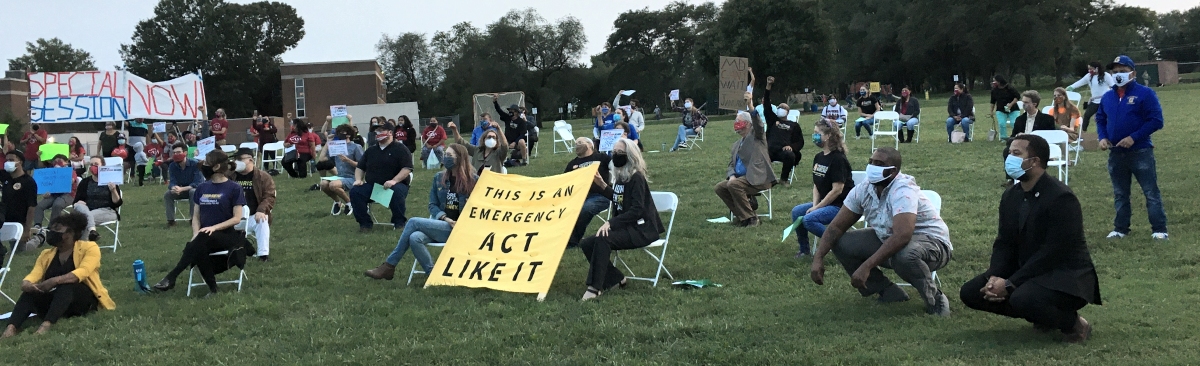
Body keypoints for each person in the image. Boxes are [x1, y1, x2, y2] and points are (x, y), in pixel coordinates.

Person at [959, 134, 1100, 342]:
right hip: (1027, 268)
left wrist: (1011, 283)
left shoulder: (1061, 197)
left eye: (1016, 153)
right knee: (971, 292)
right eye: (1009, 152)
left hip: (1064, 274)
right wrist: (995, 276)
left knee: (1022, 298)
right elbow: (1004, 242)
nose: (1009, 157)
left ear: (1034, 161)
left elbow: (1054, 251)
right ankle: (1042, 316)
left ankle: (1073, 323)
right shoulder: (1011, 195)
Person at [809, 147, 953, 316]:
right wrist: (818, 257)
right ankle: (888, 292)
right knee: (841, 243)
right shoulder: (864, 189)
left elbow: (902, 235)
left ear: (893, 171)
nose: (872, 167)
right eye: (871, 162)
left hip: (933, 245)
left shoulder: (903, 190)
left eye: (879, 164)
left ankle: (935, 300)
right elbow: (836, 227)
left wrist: (866, 266)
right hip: (889, 239)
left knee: (905, 255)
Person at [364, 144, 478, 281]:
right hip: (443, 224)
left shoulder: (473, 181)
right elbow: (433, 205)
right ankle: (433, 274)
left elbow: (477, 208)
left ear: (460, 158)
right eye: (445, 154)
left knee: (413, 222)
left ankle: (389, 265)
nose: (445, 158)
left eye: (449, 156)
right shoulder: (439, 178)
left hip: (461, 229)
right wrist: (445, 218)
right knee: (415, 237)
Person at [1, 212, 114, 339]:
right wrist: (27, 284)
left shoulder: (90, 248)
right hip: (56, 300)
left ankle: (46, 325)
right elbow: (34, 274)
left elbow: (82, 272)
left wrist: (54, 281)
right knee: (30, 293)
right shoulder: (46, 254)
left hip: (82, 300)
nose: (51, 232)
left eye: (57, 229)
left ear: (70, 233)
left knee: (66, 286)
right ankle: (11, 327)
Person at [153, 150, 248, 296]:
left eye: (206, 162)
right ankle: (213, 289)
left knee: (198, 242)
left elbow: (236, 218)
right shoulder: (202, 188)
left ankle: (172, 277)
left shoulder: (234, 188)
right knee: (199, 246)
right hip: (205, 235)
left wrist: (213, 228)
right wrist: (196, 233)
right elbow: (196, 216)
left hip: (227, 236)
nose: (203, 164)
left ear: (216, 167)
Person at [579, 138, 664, 300]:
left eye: (620, 153)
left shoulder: (636, 178)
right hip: (628, 227)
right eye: (614, 152)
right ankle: (616, 278)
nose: (615, 155)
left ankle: (595, 287)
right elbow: (619, 199)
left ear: (630, 156)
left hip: (642, 229)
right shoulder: (621, 177)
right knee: (587, 243)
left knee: (603, 239)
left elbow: (637, 210)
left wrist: (610, 222)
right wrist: (602, 185)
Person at [1096, 55, 1167, 240]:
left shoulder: (1145, 93)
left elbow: (1156, 121)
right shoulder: (1108, 97)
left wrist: (1134, 137)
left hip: (1140, 151)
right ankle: (1120, 228)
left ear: (1133, 73)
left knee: (1150, 192)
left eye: (1123, 71)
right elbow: (1100, 119)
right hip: (1116, 153)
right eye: (1115, 72)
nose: (1118, 75)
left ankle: (1159, 229)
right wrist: (1102, 137)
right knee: (1120, 194)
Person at [791, 119, 853, 258]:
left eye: (817, 133)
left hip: (841, 206)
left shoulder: (838, 159)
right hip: (825, 203)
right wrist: (815, 206)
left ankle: (841, 244)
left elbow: (837, 190)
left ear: (828, 135)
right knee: (797, 212)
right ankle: (804, 250)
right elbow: (816, 185)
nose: (814, 136)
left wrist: (817, 207)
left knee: (809, 220)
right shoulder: (818, 157)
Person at [714, 92, 776, 228]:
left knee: (733, 186)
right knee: (720, 187)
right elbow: (731, 164)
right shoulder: (735, 145)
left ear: (747, 124)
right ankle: (744, 216)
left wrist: (750, 106)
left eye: (738, 121)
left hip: (759, 178)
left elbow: (759, 124)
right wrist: (731, 176)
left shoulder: (758, 137)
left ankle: (752, 219)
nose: (736, 124)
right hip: (741, 179)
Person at [349, 121, 413, 232]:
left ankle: (399, 223)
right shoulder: (371, 150)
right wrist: (358, 180)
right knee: (355, 191)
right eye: (376, 131)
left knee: (396, 191)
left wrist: (394, 181)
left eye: (381, 130)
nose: (377, 133)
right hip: (373, 187)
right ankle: (365, 224)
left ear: (390, 132)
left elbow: (407, 169)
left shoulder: (400, 149)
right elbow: (360, 167)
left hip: (396, 185)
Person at [228, 148, 276, 261]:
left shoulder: (263, 177)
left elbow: (269, 196)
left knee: (263, 219)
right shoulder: (229, 176)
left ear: (250, 160)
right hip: (231, 218)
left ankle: (263, 255)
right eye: (235, 159)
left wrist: (261, 210)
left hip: (252, 216)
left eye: (240, 159)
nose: (236, 162)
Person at [565, 137, 612, 248]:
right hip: (579, 196)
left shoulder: (602, 158)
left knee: (586, 208)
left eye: (581, 142)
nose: (578, 144)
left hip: (601, 195)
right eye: (576, 143)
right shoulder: (572, 164)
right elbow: (565, 183)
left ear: (591, 145)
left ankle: (572, 242)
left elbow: (618, 168)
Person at [764, 77, 804, 185]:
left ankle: (783, 179)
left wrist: (792, 147)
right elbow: (766, 105)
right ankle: (769, 180)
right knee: (758, 153)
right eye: (779, 107)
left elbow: (800, 141)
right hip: (770, 150)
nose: (781, 108)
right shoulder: (772, 120)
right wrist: (768, 86)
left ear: (787, 112)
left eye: (784, 107)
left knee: (791, 155)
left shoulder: (794, 125)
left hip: (783, 151)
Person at [72, 157, 123, 242]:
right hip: (87, 210)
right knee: (80, 207)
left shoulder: (110, 181)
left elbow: (117, 203)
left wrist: (113, 190)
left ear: (103, 166)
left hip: (107, 211)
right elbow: (75, 202)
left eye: (96, 164)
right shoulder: (85, 182)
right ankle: (92, 232)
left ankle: (82, 246)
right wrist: (79, 202)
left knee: (82, 219)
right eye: (91, 164)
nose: (93, 167)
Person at [319, 125, 365, 216]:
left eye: (341, 133)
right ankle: (338, 202)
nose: (338, 135)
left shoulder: (356, 147)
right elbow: (321, 159)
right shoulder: (336, 146)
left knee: (333, 185)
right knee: (323, 184)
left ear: (348, 135)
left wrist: (348, 160)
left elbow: (362, 165)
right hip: (340, 176)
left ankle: (349, 203)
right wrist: (328, 143)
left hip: (353, 177)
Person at [31, 155, 77, 234]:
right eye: (55, 161)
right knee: (39, 206)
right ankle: (37, 225)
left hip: (68, 194)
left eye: (60, 161)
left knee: (57, 205)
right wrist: (45, 193)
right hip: (53, 194)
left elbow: (71, 181)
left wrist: (62, 172)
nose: (57, 163)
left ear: (66, 162)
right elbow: (47, 185)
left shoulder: (71, 171)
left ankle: (52, 227)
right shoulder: (51, 172)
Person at [1067, 61, 1116, 132]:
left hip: (1105, 101)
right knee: (1086, 115)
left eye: (1091, 69)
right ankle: (1083, 132)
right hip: (1094, 102)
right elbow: (1080, 82)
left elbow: (1113, 86)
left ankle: (1107, 133)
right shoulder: (1088, 76)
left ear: (1097, 68)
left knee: (1104, 118)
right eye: (1089, 69)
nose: (1090, 71)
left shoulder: (1106, 75)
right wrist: (1071, 87)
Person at [164, 142, 204, 227]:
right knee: (168, 194)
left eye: (178, 152)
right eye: (174, 153)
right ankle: (171, 220)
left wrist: (182, 189)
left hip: (195, 191)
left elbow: (197, 183)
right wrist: (174, 187)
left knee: (193, 192)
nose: (176, 155)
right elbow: (172, 181)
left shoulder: (195, 164)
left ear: (185, 153)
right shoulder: (172, 166)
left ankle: (193, 218)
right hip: (180, 190)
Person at [2, 151, 37, 247]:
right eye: (7, 160)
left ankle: (39, 238)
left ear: (20, 162)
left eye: (11, 160)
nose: (8, 162)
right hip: (5, 219)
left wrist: (27, 229)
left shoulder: (28, 182)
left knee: (19, 249)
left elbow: (32, 207)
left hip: (20, 222)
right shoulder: (6, 178)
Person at [492, 95, 530, 166]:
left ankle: (524, 160)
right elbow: (499, 111)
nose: (510, 112)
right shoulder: (507, 118)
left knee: (522, 141)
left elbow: (523, 134)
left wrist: (515, 143)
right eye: (509, 110)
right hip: (507, 140)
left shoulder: (521, 122)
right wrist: (495, 102)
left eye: (511, 111)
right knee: (499, 141)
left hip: (517, 141)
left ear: (516, 112)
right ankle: (501, 161)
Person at [990, 75, 1022, 140]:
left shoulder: (1009, 88)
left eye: (995, 81)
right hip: (1000, 109)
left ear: (999, 81)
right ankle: (1003, 138)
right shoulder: (994, 90)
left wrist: (1011, 104)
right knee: (1001, 124)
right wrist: (991, 111)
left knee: (1014, 123)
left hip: (1013, 109)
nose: (993, 82)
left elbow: (1017, 96)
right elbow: (992, 101)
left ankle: (1016, 136)